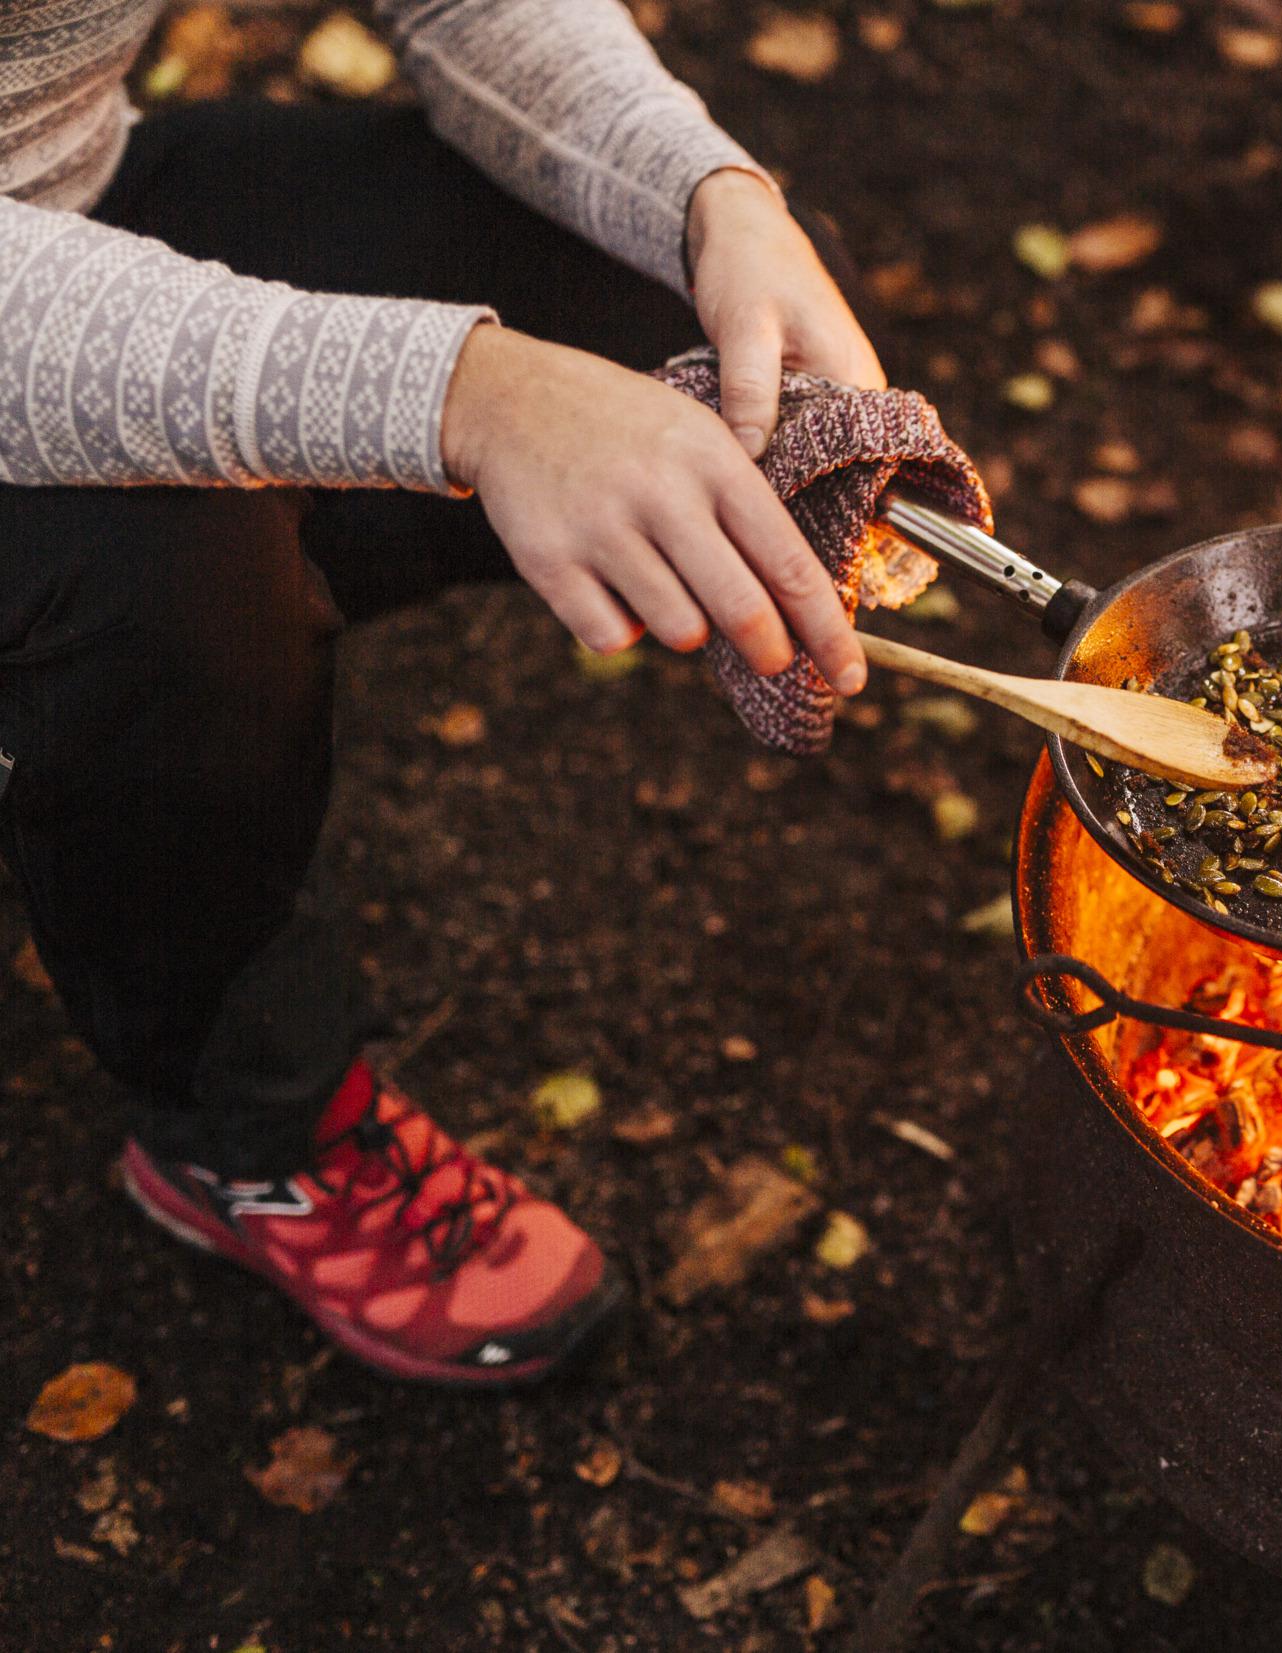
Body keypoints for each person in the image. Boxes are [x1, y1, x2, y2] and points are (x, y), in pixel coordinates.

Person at [0, 1, 889, 1384]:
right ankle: (252, 1139)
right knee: (168, 557)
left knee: (691, 324)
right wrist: (468, 395)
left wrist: (705, 193)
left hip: (74, 194)